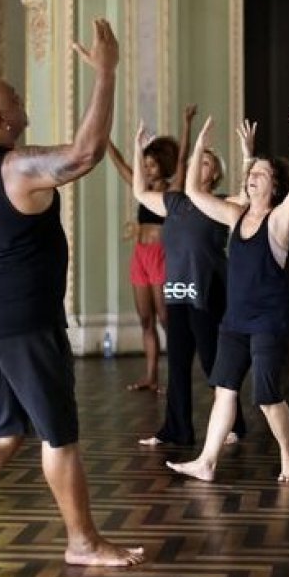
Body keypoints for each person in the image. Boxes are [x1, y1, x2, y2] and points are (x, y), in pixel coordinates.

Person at [0, 18, 144, 577]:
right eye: (17, 102)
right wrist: (107, 73)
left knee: (1, 432)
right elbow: (86, 154)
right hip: (22, 321)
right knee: (58, 434)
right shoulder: (16, 168)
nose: (23, 107)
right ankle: (83, 541)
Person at [166, 111, 289, 483]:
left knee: (265, 395)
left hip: (269, 320)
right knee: (224, 390)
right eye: (250, 173)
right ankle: (207, 462)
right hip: (235, 320)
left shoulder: (277, 221)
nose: (250, 178)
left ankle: (288, 454)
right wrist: (198, 147)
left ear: (272, 187)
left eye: (259, 175)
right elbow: (195, 193)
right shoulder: (235, 215)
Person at [134, 114, 252, 447]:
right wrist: (136, 147)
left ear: (215, 174)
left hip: (208, 289)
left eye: (207, 163)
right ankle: (177, 429)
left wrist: (247, 153)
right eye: (196, 161)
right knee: (179, 363)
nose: (199, 165)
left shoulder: (223, 202)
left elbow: (249, 195)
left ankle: (234, 424)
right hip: (177, 290)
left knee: (213, 361)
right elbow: (141, 191)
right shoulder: (174, 202)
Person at [107, 125, 181, 392]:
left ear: (164, 165)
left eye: (151, 165)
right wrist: (105, 139)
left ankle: (176, 376)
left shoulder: (172, 192)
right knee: (146, 319)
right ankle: (151, 376)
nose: (147, 169)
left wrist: (184, 125)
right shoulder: (143, 189)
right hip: (141, 256)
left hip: (162, 256)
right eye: (145, 165)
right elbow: (122, 166)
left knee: (165, 318)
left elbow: (182, 164)